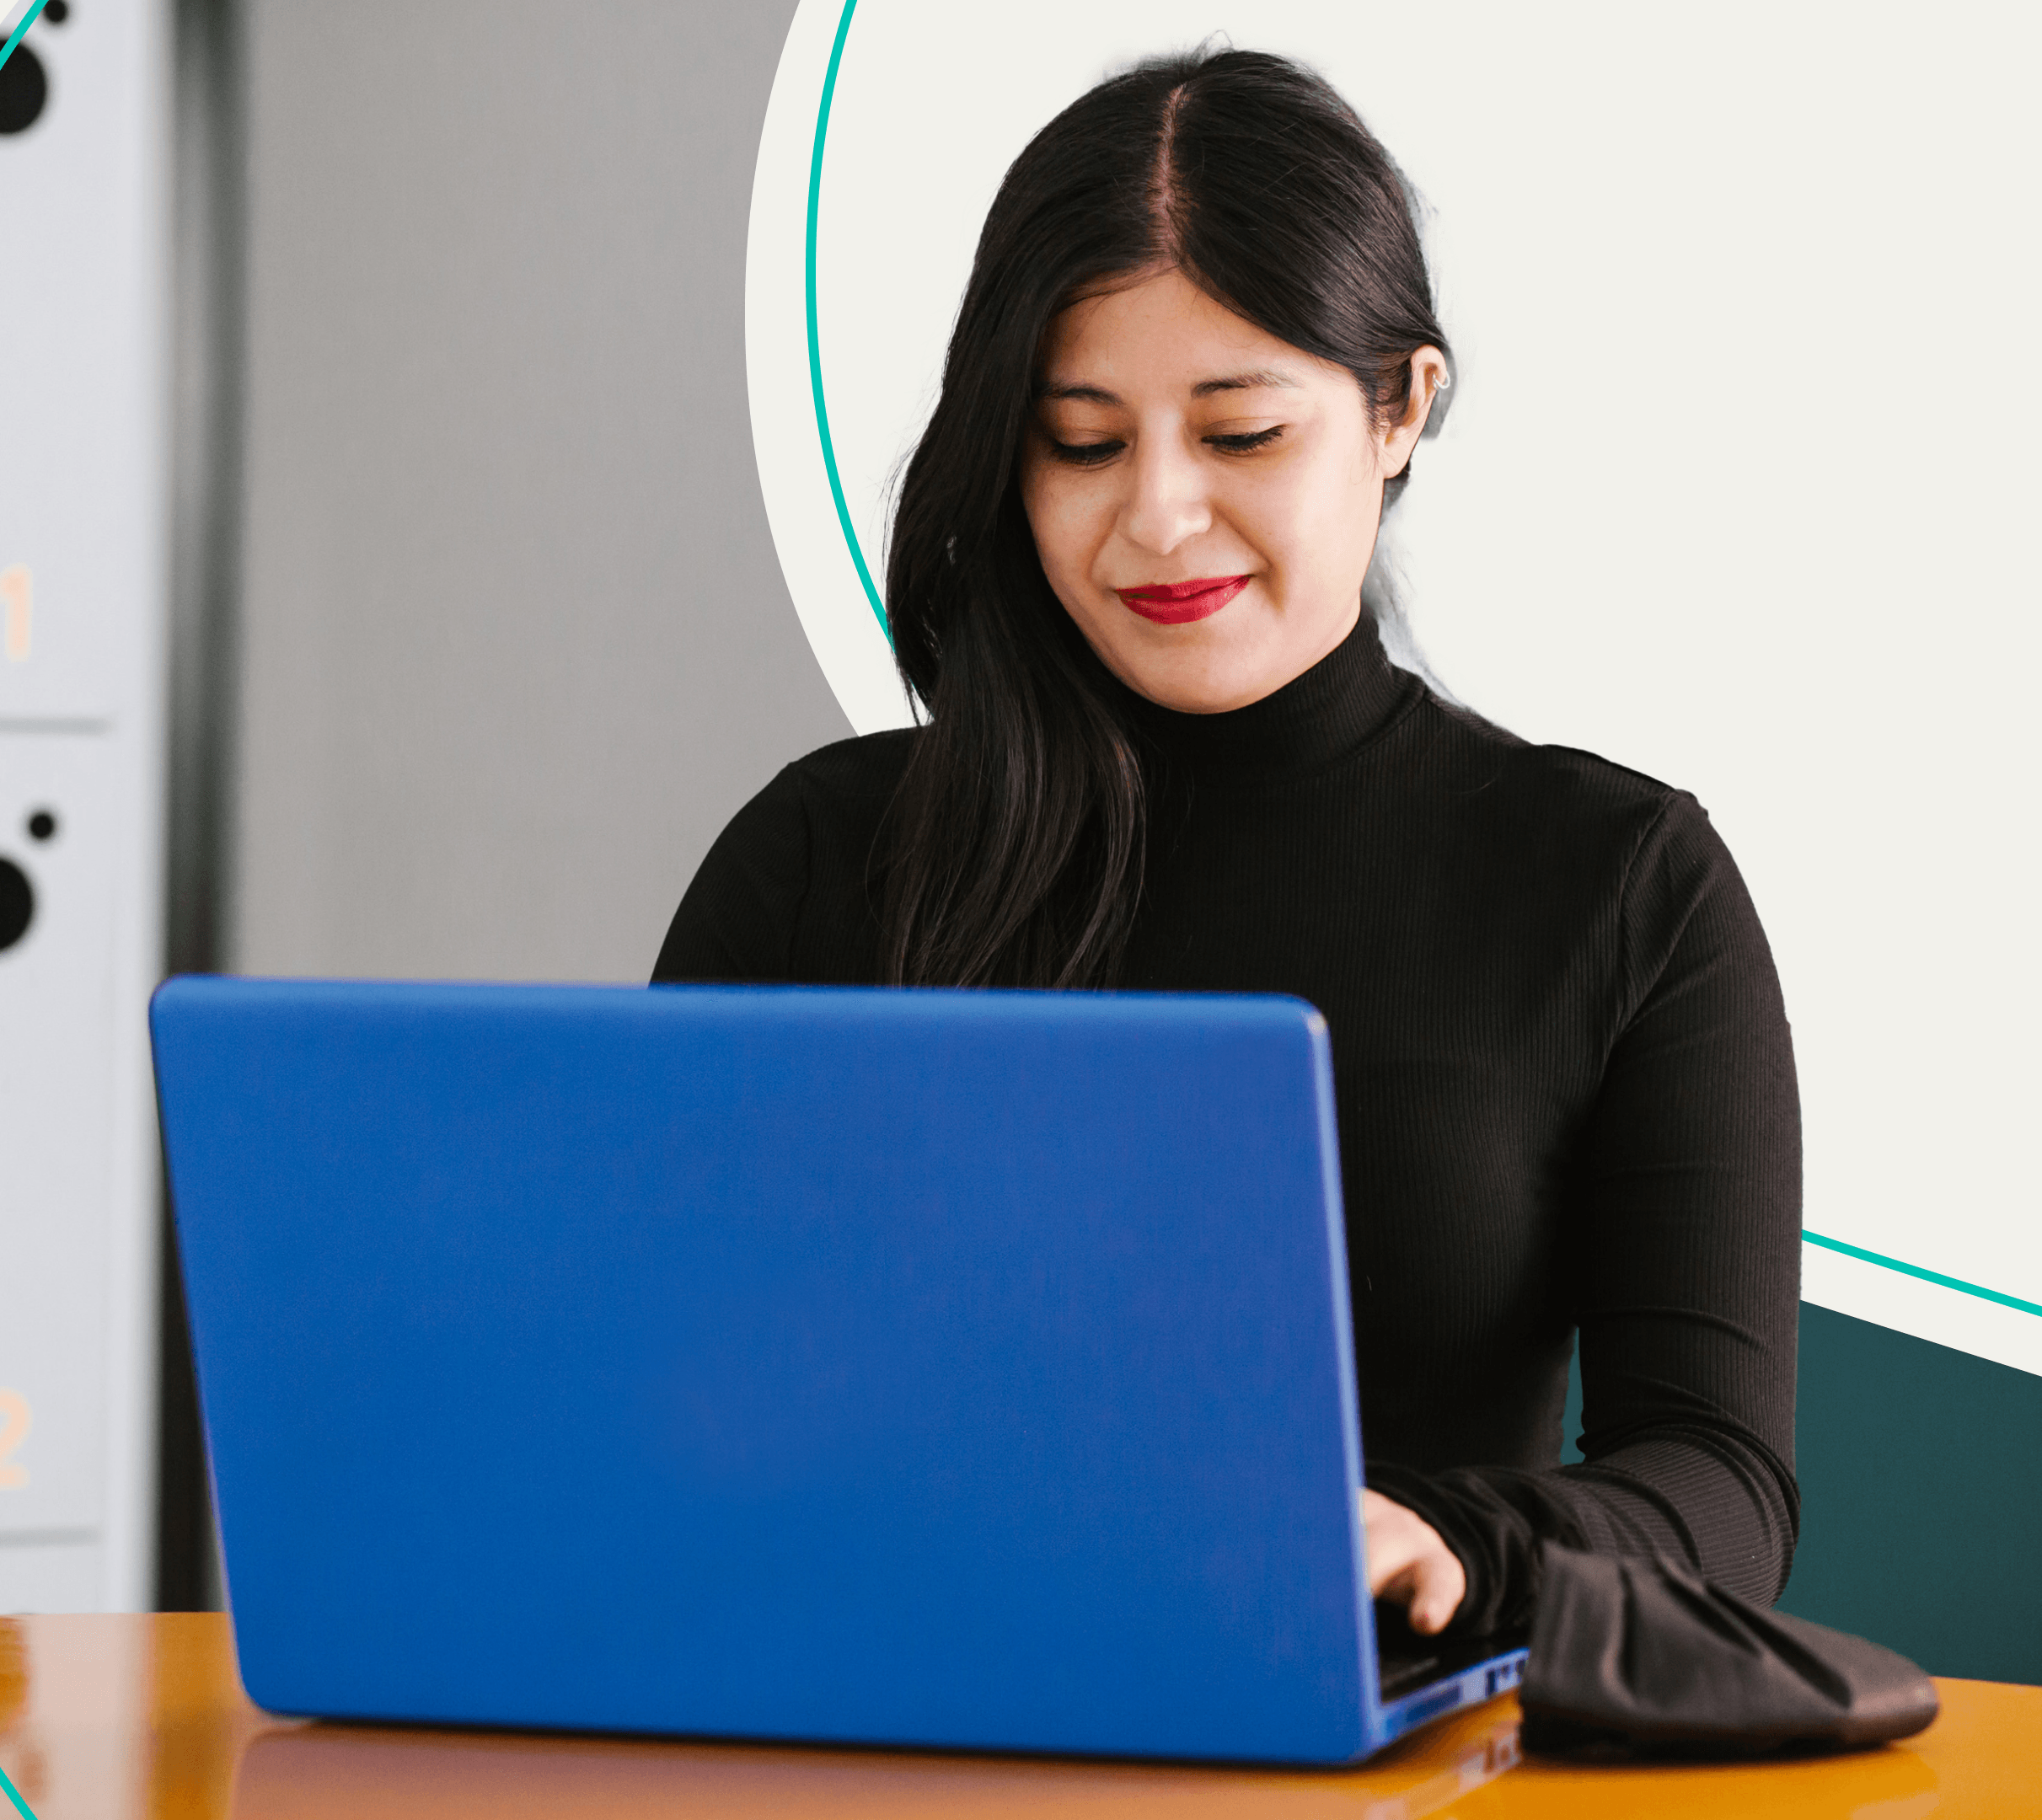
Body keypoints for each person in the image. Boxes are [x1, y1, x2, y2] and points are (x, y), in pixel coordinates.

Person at [654, 46, 1798, 1644]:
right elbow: (657, 1390)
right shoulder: (818, 857)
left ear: (1401, 411)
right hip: (885, 1729)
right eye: (1081, 439)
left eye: (1242, 434)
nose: (1159, 518)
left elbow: (1727, 1484)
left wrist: (1452, 1541)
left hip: (1382, 1749)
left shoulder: (1620, 881)